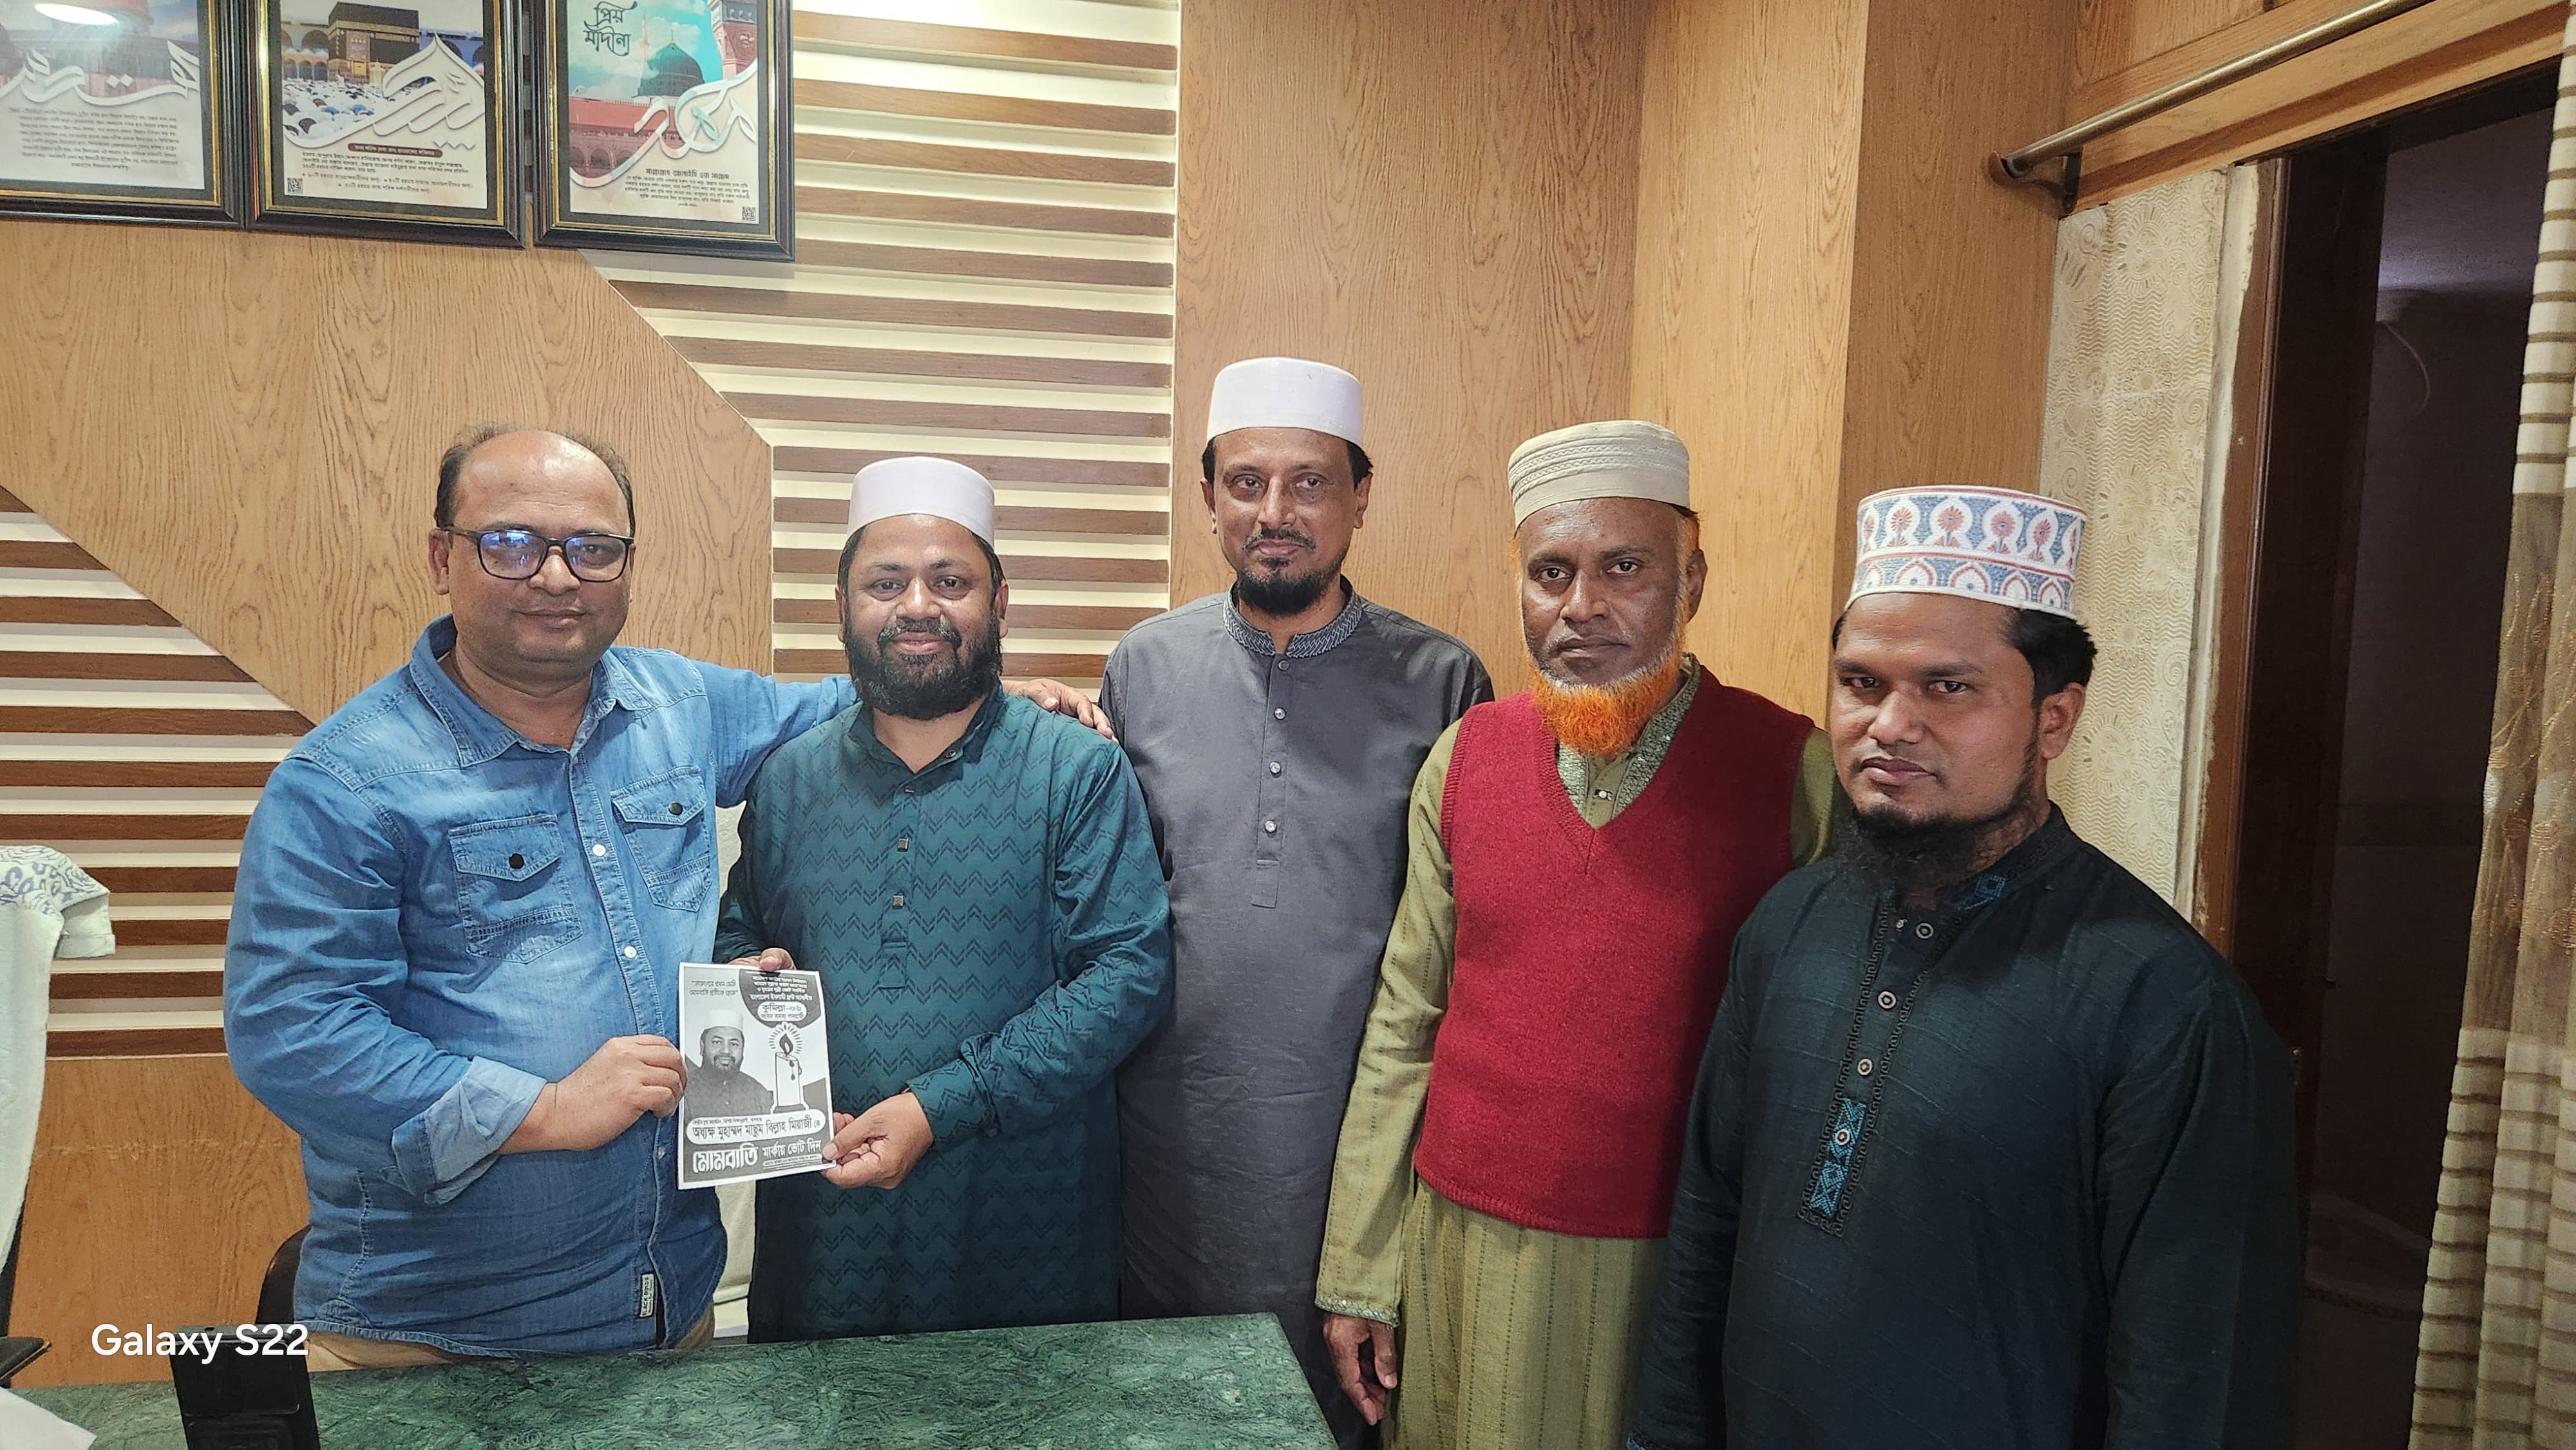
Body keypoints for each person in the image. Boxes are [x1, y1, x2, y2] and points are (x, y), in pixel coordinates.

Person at [224, 424, 1105, 1368]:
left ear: (627, 564)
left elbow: (860, 700)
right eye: (511, 544)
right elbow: (294, 1031)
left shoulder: (681, 708)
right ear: (443, 558)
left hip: (665, 1310)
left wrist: (998, 695)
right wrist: (543, 1109)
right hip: (438, 1333)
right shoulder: (347, 781)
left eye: (592, 548)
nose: (556, 576)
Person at [1625, 487, 2301, 1449]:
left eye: (1949, 687)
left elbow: (2195, 1369)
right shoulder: (1787, 925)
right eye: (1862, 683)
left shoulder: (2166, 1004)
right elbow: (1708, 1226)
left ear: (2054, 719)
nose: (1891, 724)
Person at [1312, 421, 1836, 1450]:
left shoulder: (1791, 770)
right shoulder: (1466, 757)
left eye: (1624, 568)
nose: (1581, 607)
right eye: (1551, 572)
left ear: (1692, 584)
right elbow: (1405, 1023)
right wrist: (1361, 1273)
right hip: (1462, 1252)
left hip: (1672, 1263)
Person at [1106, 357, 1491, 1445]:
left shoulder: (1444, 681)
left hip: (1354, 1133)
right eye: (1246, 482)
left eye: (1310, 483)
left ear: (1361, 496)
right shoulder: (1142, 667)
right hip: (1172, 1131)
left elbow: (1453, 944)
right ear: (1209, 498)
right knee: (1172, 1402)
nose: (1275, 512)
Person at [715, 456, 1172, 1341]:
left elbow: (1127, 976)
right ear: (842, 605)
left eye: (950, 581)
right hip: (822, 1224)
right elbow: (743, 934)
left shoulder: (1077, 770)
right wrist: (748, 970)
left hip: (1026, 1221)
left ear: (998, 605)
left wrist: (941, 1106)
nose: (918, 605)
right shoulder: (788, 779)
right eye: (886, 583)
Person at [684, 1017, 770, 1119]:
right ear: (702, 1047)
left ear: (742, 1049)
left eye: (734, 1044)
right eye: (717, 1042)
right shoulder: (685, 1090)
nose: (726, 1051)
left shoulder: (758, 1092)